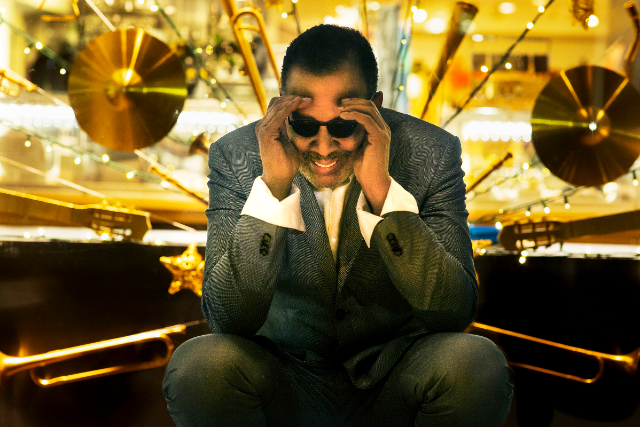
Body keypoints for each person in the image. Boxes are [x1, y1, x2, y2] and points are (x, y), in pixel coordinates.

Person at [162, 24, 513, 427]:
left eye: (344, 125)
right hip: (284, 378)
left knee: (476, 365)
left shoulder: (431, 151)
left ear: (375, 107)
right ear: (281, 109)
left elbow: (454, 311)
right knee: (199, 367)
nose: (324, 146)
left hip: (395, 377)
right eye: (305, 125)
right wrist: (273, 189)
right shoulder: (238, 155)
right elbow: (228, 317)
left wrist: (382, 193)